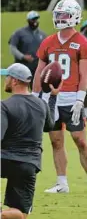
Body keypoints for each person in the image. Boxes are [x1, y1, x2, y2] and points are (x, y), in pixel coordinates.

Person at [32, 0, 87, 194]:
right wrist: (34, 95)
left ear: (75, 17)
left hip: (72, 97)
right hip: (51, 98)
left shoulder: (82, 43)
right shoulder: (48, 42)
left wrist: (80, 99)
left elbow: (85, 75)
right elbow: (39, 71)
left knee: (79, 139)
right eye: (59, 15)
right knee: (56, 140)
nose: (60, 18)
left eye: (64, 15)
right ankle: (61, 182)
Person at [1, 63, 58, 219]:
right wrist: (53, 98)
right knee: (20, 214)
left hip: (4, 160)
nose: (5, 80)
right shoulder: (42, 105)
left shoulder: (4, 106)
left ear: (14, 81)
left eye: (7, 77)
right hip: (29, 164)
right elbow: (49, 126)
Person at [8, 11, 47, 89]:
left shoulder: (42, 34)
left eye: (36, 19)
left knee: (36, 89)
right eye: (33, 19)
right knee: (20, 89)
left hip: (36, 67)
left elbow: (46, 50)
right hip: (22, 66)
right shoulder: (19, 33)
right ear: (28, 20)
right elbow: (12, 48)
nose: (35, 21)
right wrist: (23, 57)